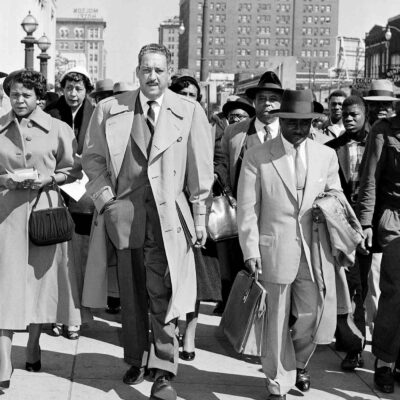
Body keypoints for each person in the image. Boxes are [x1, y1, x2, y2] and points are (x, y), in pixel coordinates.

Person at [81, 43, 213, 400]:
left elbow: (202, 174)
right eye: (145, 69)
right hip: (124, 218)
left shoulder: (189, 111)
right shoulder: (110, 109)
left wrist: (199, 220)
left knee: (164, 293)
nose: (152, 76)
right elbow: (91, 160)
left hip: (169, 221)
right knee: (131, 293)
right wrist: (106, 200)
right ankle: (137, 358)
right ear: (136, 72)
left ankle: (164, 367)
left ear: (168, 73)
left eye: (159, 70)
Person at [237, 89, 343, 399]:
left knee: (314, 316)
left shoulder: (326, 155)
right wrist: (251, 250)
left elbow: (336, 197)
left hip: (314, 252)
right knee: (276, 320)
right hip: (273, 250)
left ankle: (296, 362)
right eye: (292, 123)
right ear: (281, 120)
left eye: (305, 123)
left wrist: (331, 210)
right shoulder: (258, 155)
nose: (298, 130)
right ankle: (278, 382)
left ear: (312, 122)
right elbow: (247, 209)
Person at [0, 69, 82, 389]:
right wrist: (7, 180)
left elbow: (74, 171)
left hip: (43, 215)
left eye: (26, 95)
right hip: (6, 217)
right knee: (5, 288)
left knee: (39, 284)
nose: (19, 100)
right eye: (14, 94)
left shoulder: (58, 129)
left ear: (39, 98)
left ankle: (33, 344)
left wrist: (49, 179)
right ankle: (3, 361)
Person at [214, 71, 284, 313]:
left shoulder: (290, 131)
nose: (268, 104)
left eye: (273, 98)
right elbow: (222, 162)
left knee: (275, 278)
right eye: (262, 98)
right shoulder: (236, 132)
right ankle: (240, 327)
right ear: (254, 101)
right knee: (242, 277)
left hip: (279, 220)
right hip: (243, 216)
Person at [169, 75, 221, 361]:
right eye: (182, 93)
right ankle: (168, 333)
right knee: (169, 278)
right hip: (170, 210)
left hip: (199, 210)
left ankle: (189, 337)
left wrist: (211, 177)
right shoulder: (164, 122)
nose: (188, 98)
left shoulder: (207, 124)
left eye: (193, 94)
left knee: (196, 281)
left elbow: (219, 161)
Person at [45, 66, 95, 340]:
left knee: (80, 260)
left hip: (85, 197)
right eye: (68, 88)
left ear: (87, 90)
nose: (73, 94)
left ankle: (75, 316)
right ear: (61, 89)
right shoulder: (50, 114)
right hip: (55, 192)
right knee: (54, 259)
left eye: (79, 89)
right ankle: (54, 313)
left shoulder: (98, 114)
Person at [357, 96, 400, 395]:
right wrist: (367, 223)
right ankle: (384, 361)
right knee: (395, 294)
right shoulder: (384, 130)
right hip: (395, 220)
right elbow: (369, 179)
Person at [326, 95, 370, 371]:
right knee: (346, 286)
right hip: (341, 226)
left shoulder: (376, 144)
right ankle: (350, 341)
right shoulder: (331, 149)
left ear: (364, 114)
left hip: (369, 227)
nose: (349, 118)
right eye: (345, 114)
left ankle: (357, 344)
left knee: (363, 290)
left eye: (354, 114)